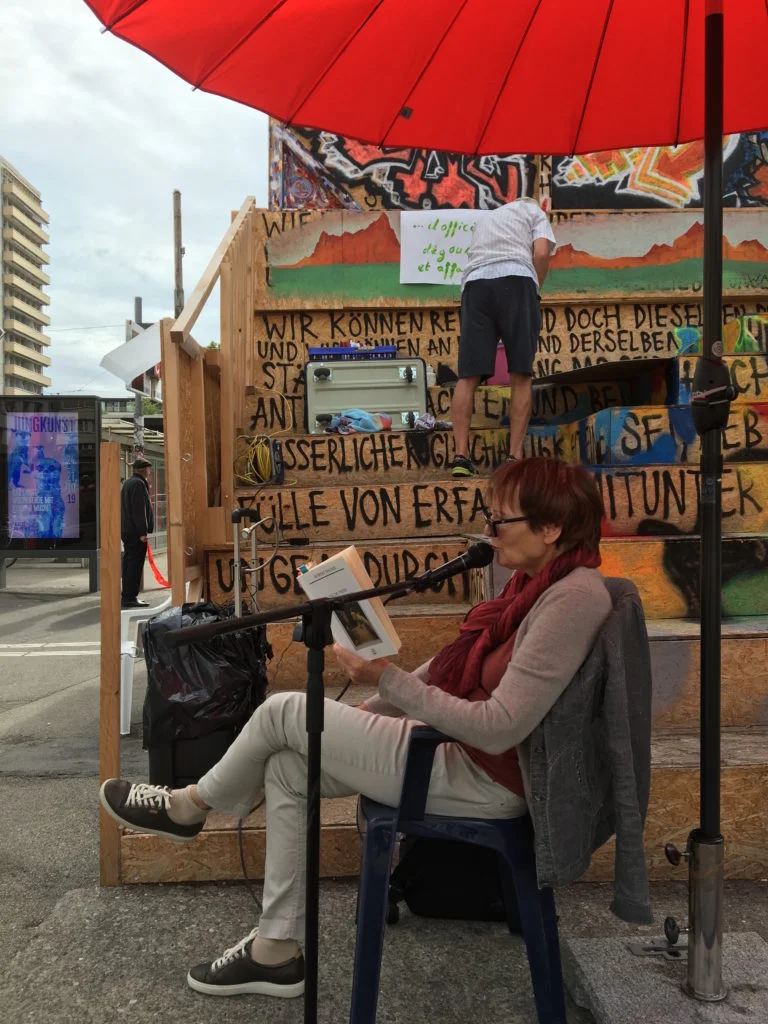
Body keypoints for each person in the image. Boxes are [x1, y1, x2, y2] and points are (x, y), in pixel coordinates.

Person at [99, 458, 612, 1000]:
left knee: (283, 713)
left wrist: (384, 679)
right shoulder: (533, 587)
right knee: (289, 764)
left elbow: (500, 727)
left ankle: (190, 807)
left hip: (483, 775)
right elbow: (446, 669)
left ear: (551, 528)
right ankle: (274, 952)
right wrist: (379, 704)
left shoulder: (573, 598)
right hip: (454, 753)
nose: (488, 531)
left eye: (501, 521)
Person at [449, 198, 556, 478]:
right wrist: (535, 289)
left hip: (475, 286)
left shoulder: (486, 219)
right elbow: (542, 254)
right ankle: (514, 458)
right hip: (516, 280)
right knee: (521, 373)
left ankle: (460, 457)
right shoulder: (534, 211)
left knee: (467, 376)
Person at [120, 456, 154, 609]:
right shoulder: (139, 484)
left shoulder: (128, 483)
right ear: (145, 470)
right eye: (149, 470)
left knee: (129, 562)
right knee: (134, 564)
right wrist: (142, 532)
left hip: (127, 530)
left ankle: (127, 594)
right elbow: (139, 510)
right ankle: (130, 596)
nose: (149, 472)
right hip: (135, 533)